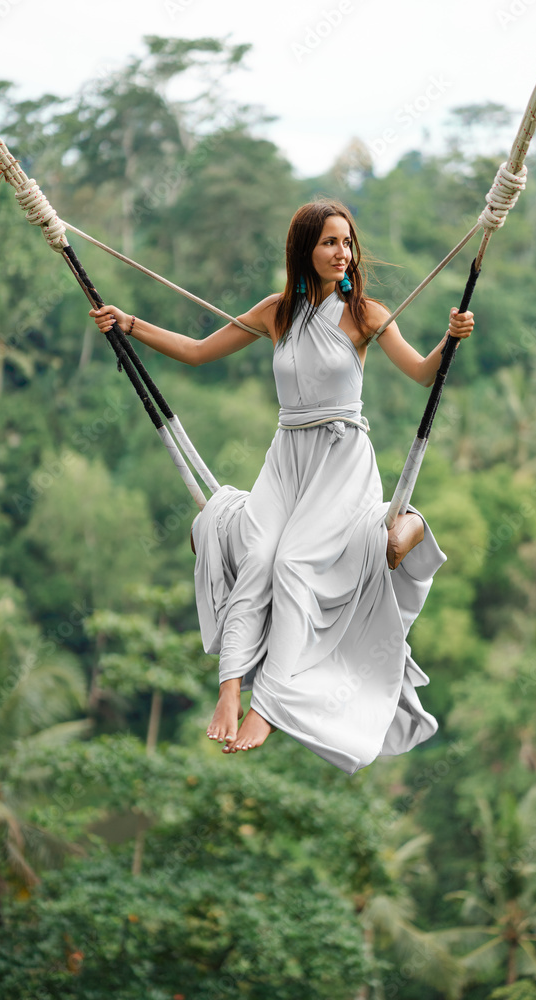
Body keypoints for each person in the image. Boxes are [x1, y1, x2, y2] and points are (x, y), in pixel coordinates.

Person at [90, 200, 474, 775]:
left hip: (341, 461)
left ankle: (268, 707)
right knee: (260, 556)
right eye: (329, 243)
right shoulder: (278, 313)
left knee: (294, 564)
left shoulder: (365, 314)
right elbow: (197, 354)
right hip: (286, 457)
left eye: (346, 242)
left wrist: (452, 339)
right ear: (304, 249)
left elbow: (422, 371)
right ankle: (230, 686)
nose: (341, 252)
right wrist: (129, 325)